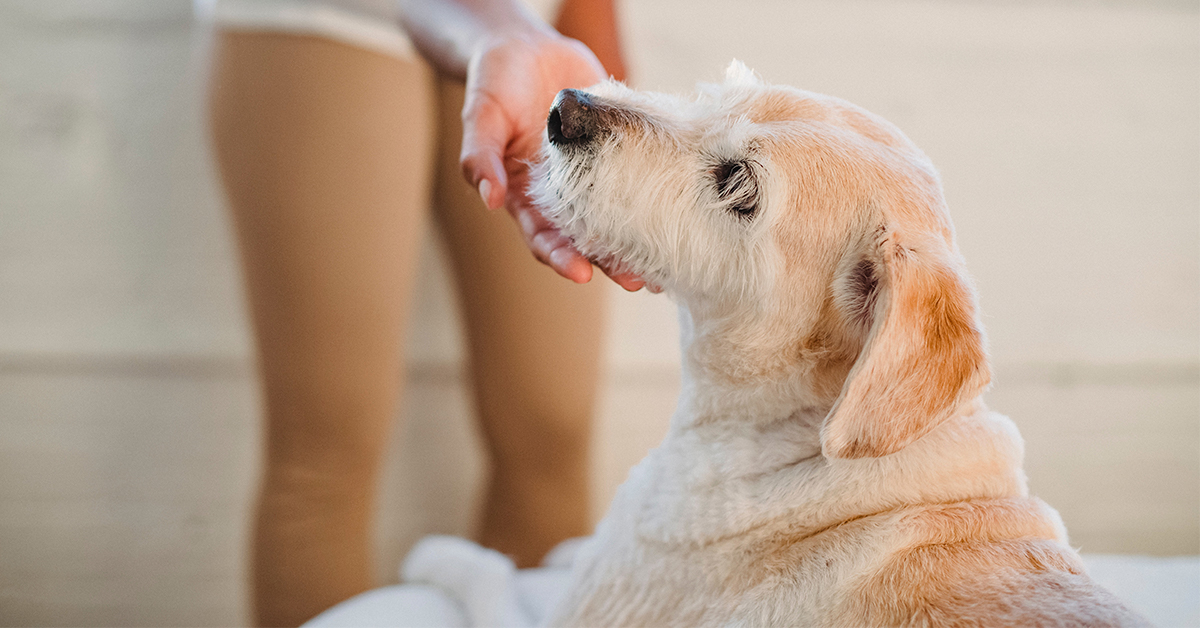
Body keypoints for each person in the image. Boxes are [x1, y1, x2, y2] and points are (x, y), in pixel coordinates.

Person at [205, 0, 641, 625]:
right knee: (326, 452)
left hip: (527, 29)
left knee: (550, 430)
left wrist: (589, 22)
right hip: (324, 20)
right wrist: (503, 30)